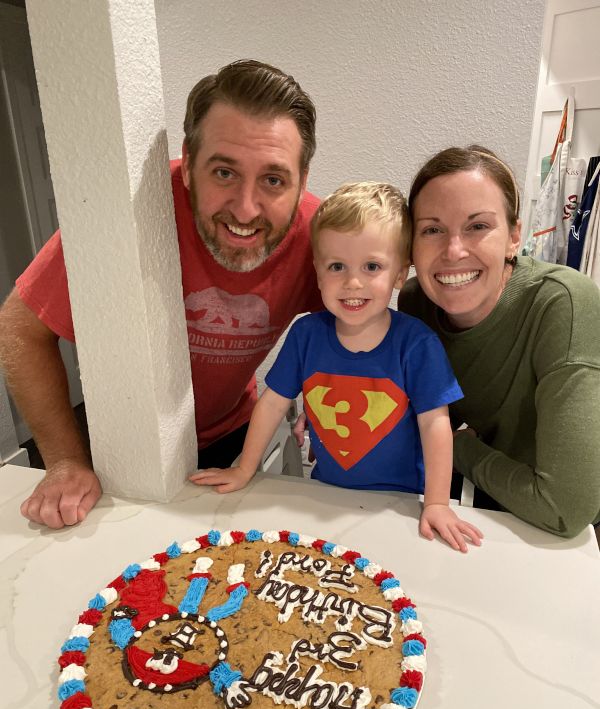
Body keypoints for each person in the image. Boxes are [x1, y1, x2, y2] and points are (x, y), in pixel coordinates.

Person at [0, 60, 323, 530]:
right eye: (224, 173)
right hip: (118, 445)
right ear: (189, 164)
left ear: (302, 181)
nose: (247, 208)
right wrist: (65, 462)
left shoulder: (318, 233)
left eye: (273, 179)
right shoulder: (123, 216)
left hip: (234, 435)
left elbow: (359, 322)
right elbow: (19, 327)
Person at [191, 182, 483, 552]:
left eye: (372, 266)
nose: (353, 282)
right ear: (318, 271)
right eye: (337, 266)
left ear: (398, 274)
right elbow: (273, 402)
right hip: (325, 495)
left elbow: (435, 423)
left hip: (400, 504)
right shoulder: (306, 335)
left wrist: (437, 503)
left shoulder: (417, 344)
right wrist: (245, 468)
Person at [397, 145, 600, 537]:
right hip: (479, 503)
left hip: (567, 536)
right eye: (432, 229)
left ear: (514, 237)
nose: (453, 251)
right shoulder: (414, 304)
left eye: (477, 226)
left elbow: (566, 509)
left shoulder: (564, 304)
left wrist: (461, 449)